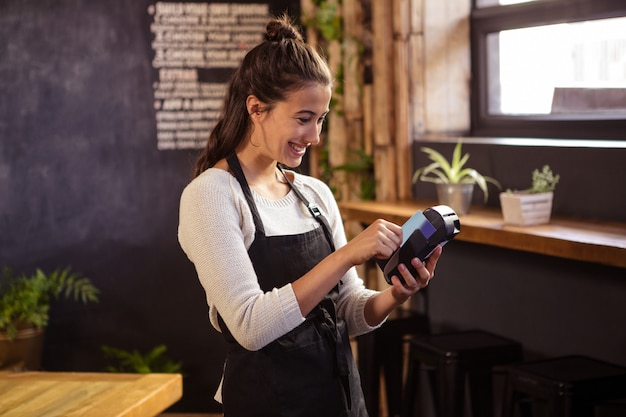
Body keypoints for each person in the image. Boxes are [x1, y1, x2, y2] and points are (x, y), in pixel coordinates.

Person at [178, 14, 443, 417]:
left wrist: (395, 294)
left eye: (320, 119)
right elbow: (250, 326)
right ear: (256, 109)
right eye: (303, 119)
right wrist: (345, 255)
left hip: (339, 400)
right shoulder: (211, 196)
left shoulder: (313, 193)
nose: (315, 137)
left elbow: (348, 312)